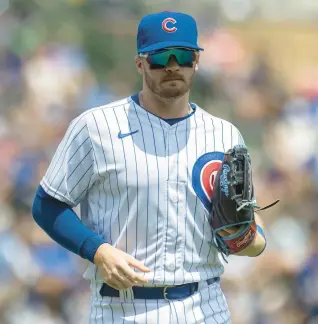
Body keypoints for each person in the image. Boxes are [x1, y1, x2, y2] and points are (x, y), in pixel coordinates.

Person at [32, 11, 267, 323]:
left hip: (205, 305)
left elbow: (249, 226)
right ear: (140, 63)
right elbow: (46, 203)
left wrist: (250, 239)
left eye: (182, 55)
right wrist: (98, 251)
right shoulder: (96, 126)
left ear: (196, 61)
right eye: (160, 57)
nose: (172, 65)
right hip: (122, 308)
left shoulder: (225, 135)